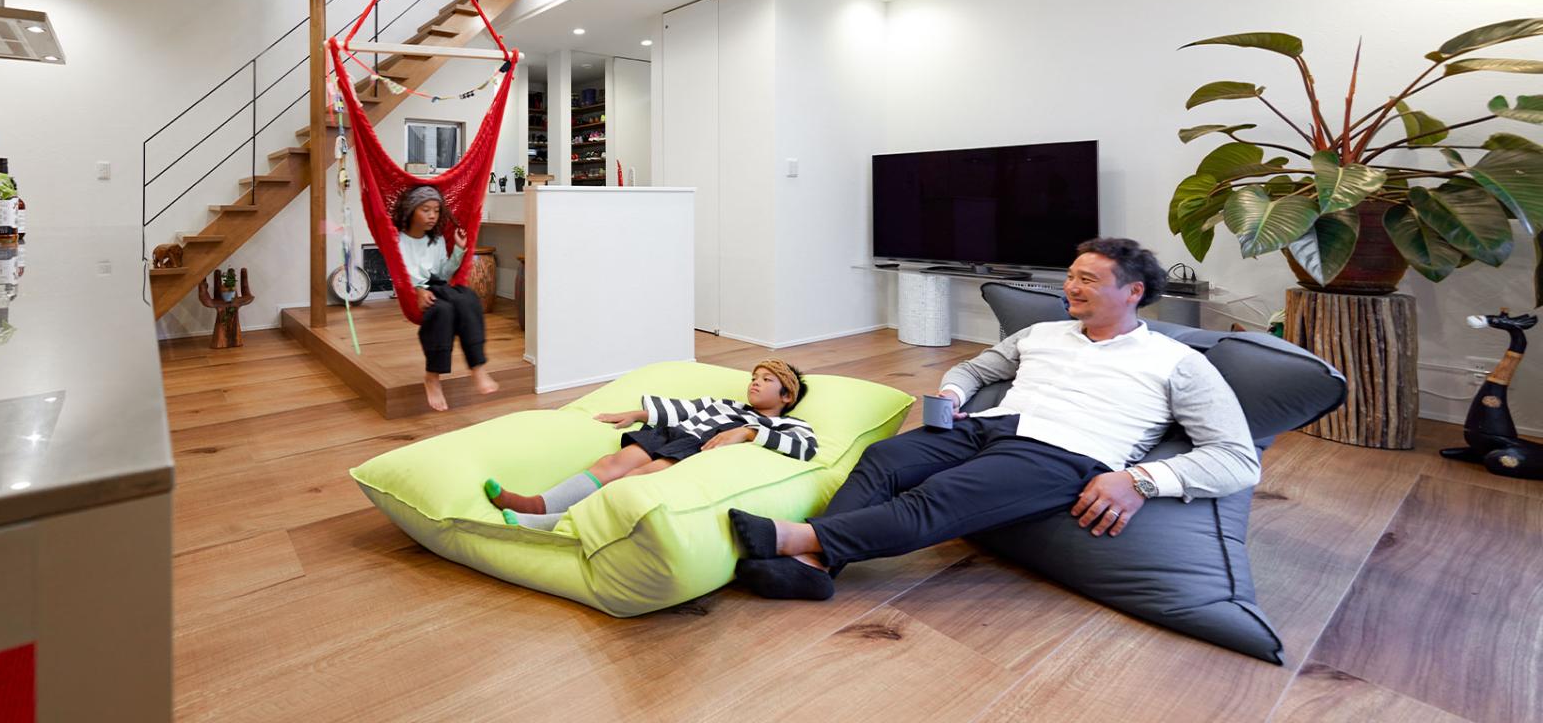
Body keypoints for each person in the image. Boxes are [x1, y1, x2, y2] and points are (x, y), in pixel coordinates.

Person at [728, 237, 1260, 601]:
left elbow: (1236, 459)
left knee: (939, 497)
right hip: (990, 425)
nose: (1071, 287)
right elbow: (977, 368)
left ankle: (794, 540)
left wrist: (1141, 479)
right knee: (885, 456)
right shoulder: (1042, 333)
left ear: (1134, 291)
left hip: (1065, 452)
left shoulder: (1179, 362)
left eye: (1088, 280)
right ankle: (818, 565)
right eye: (1070, 276)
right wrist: (953, 392)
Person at [485, 360, 817, 529]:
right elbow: (683, 409)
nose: (755, 383)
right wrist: (636, 414)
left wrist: (748, 433)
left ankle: (560, 521)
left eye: (766, 380)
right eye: (754, 378)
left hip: (692, 451)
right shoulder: (726, 404)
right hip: (672, 434)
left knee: (636, 478)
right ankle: (537, 504)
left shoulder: (783, 425)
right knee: (610, 464)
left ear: (786, 395)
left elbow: (806, 447)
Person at [393, 184, 498, 411]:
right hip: (413, 291)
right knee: (443, 311)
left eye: (436, 210)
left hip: (437, 286)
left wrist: (459, 249)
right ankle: (432, 377)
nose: (432, 215)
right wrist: (417, 291)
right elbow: (400, 275)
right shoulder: (397, 241)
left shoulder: (437, 240)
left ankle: (477, 367)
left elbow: (443, 275)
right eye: (425, 210)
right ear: (410, 210)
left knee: (468, 298)